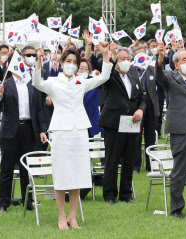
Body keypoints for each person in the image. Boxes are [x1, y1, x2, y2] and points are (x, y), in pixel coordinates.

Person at [33, 42, 113, 229]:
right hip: (60, 132)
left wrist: (105, 54)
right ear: (62, 63)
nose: (71, 64)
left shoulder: (82, 81)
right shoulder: (53, 82)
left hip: (79, 132)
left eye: (74, 62)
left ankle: (72, 217)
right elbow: (37, 83)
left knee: (77, 175)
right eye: (68, 61)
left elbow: (105, 76)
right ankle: (61, 216)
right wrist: (38, 62)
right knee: (61, 175)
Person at [0, 47, 47, 213]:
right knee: (7, 168)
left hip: (28, 130)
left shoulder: (33, 85)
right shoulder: (6, 84)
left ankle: (28, 201)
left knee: (26, 169)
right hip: (9, 131)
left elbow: (39, 110)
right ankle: (4, 203)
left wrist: (42, 130)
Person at [155, 41, 186, 219]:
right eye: (184, 60)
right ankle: (177, 208)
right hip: (181, 129)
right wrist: (160, 58)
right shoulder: (171, 78)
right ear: (176, 64)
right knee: (181, 170)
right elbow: (159, 75)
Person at [98, 46, 146, 205]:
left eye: (127, 58)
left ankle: (126, 194)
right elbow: (103, 64)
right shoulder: (110, 74)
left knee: (129, 159)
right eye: (121, 58)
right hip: (113, 122)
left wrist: (140, 109)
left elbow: (142, 98)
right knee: (112, 159)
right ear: (115, 61)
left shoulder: (133, 74)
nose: (125, 61)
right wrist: (108, 55)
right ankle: (110, 194)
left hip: (132, 123)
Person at [130, 46, 160, 172]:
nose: (142, 57)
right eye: (139, 55)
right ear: (133, 57)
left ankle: (151, 165)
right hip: (136, 104)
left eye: (144, 54)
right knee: (135, 136)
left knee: (150, 136)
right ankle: (135, 166)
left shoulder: (152, 69)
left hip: (150, 102)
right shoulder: (130, 70)